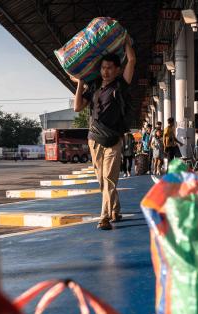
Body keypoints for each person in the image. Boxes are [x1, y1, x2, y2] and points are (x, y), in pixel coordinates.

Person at [74, 38, 136, 230]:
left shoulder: (120, 85)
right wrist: (80, 83)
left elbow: (131, 61)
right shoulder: (93, 88)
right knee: (102, 181)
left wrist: (125, 40)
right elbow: (77, 107)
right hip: (94, 140)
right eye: (103, 68)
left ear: (117, 70)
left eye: (110, 68)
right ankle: (115, 209)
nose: (106, 71)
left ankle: (105, 217)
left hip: (112, 141)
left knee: (109, 179)